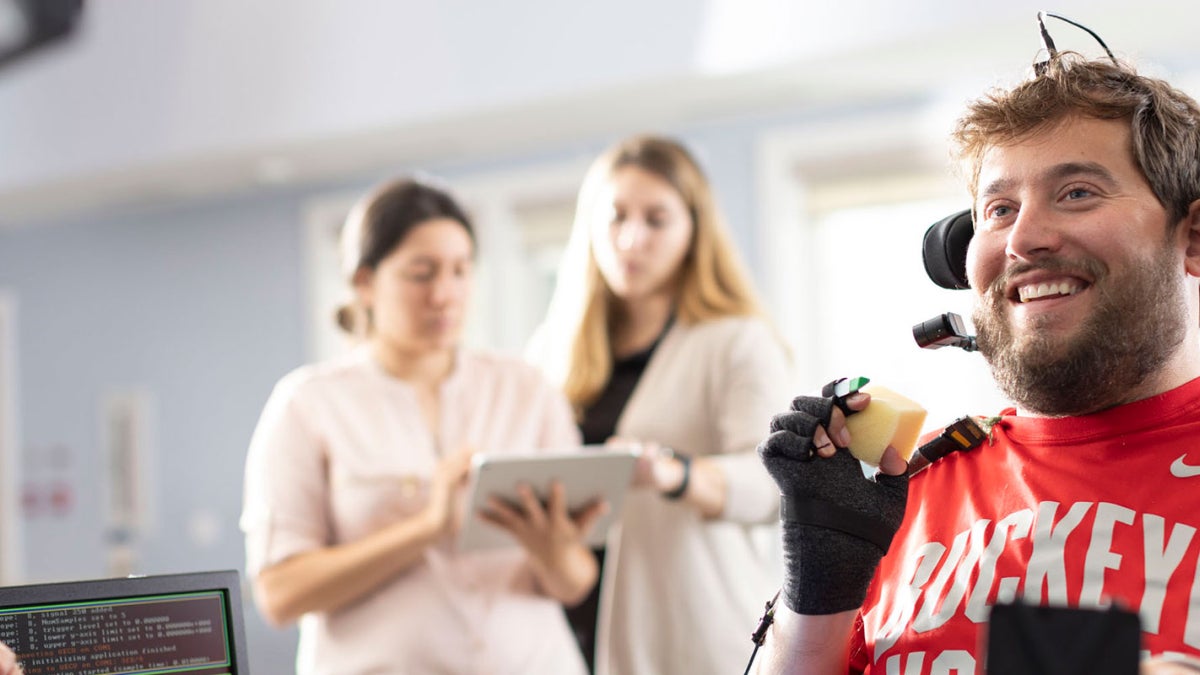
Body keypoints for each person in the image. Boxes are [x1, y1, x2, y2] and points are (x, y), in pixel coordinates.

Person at [753, 49, 1200, 674]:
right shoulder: (899, 488)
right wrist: (816, 599)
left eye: (1076, 192)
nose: (1023, 240)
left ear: (1192, 236)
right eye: (999, 210)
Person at [240, 178, 605, 674]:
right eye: (420, 273)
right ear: (365, 283)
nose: (445, 294)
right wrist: (426, 528)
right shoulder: (307, 404)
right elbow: (279, 595)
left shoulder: (526, 389)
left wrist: (552, 550)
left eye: (460, 270)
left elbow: (574, 582)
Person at [532, 134, 793, 674]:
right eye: (616, 217)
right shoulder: (550, 354)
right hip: (567, 638)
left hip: (693, 638)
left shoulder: (735, 340)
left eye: (656, 220)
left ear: (693, 231)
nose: (631, 239)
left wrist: (673, 475)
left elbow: (770, 486)